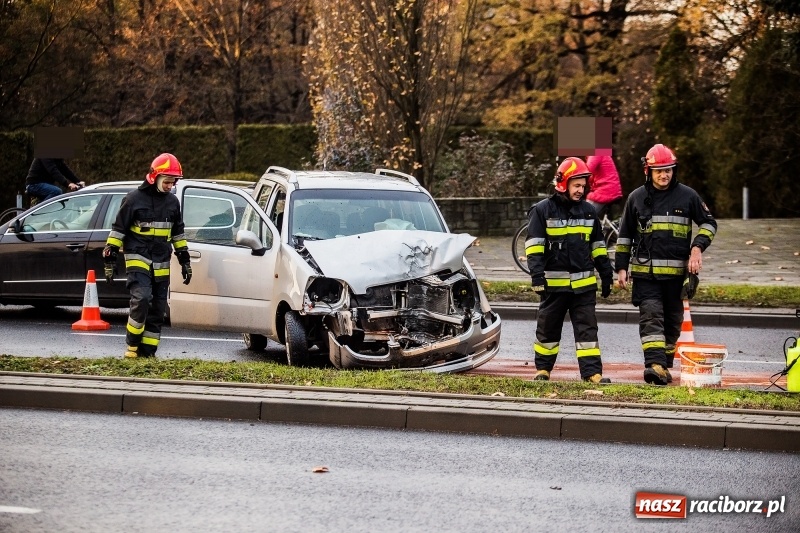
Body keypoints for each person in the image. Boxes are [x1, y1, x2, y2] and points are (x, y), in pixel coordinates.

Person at [615, 144, 717, 385]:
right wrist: (621, 267)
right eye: (659, 171)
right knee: (651, 318)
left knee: (672, 323)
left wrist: (697, 247)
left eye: (669, 170)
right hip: (645, 276)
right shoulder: (636, 198)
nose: (664, 175)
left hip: (675, 277)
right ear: (648, 171)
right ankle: (654, 364)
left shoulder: (688, 196)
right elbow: (624, 235)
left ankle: (663, 365)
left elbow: (709, 223)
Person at [526, 157, 614, 384]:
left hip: (584, 287)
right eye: (577, 185)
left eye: (583, 186)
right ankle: (543, 370)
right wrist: (536, 275)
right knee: (548, 329)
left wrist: (606, 275)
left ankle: (592, 373)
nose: (581, 190)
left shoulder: (588, 211)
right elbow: (534, 246)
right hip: (554, 286)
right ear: (562, 183)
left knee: (587, 331)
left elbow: (597, 246)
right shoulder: (542, 210)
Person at [103, 153, 192, 358]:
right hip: (137, 256)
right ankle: (132, 346)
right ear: (155, 177)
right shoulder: (133, 199)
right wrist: (110, 258)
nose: (171, 186)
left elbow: (178, 233)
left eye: (173, 182)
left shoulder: (172, 203)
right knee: (142, 298)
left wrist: (185, 261)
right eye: (168, 181)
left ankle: (148, 353)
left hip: (161, 260)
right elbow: (118, 230)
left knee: (158, 309)